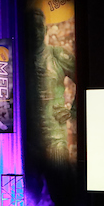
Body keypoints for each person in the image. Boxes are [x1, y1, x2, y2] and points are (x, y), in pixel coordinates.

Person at [31, 9, 77, 165]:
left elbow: (84, 77)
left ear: (44, 28)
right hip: (28, 138)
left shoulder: (57, 55)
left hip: (54, 137)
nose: (34, 31)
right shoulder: (18, 60)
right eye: (30, 27)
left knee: (60, 180)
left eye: (37, 26)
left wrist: (73, 110)